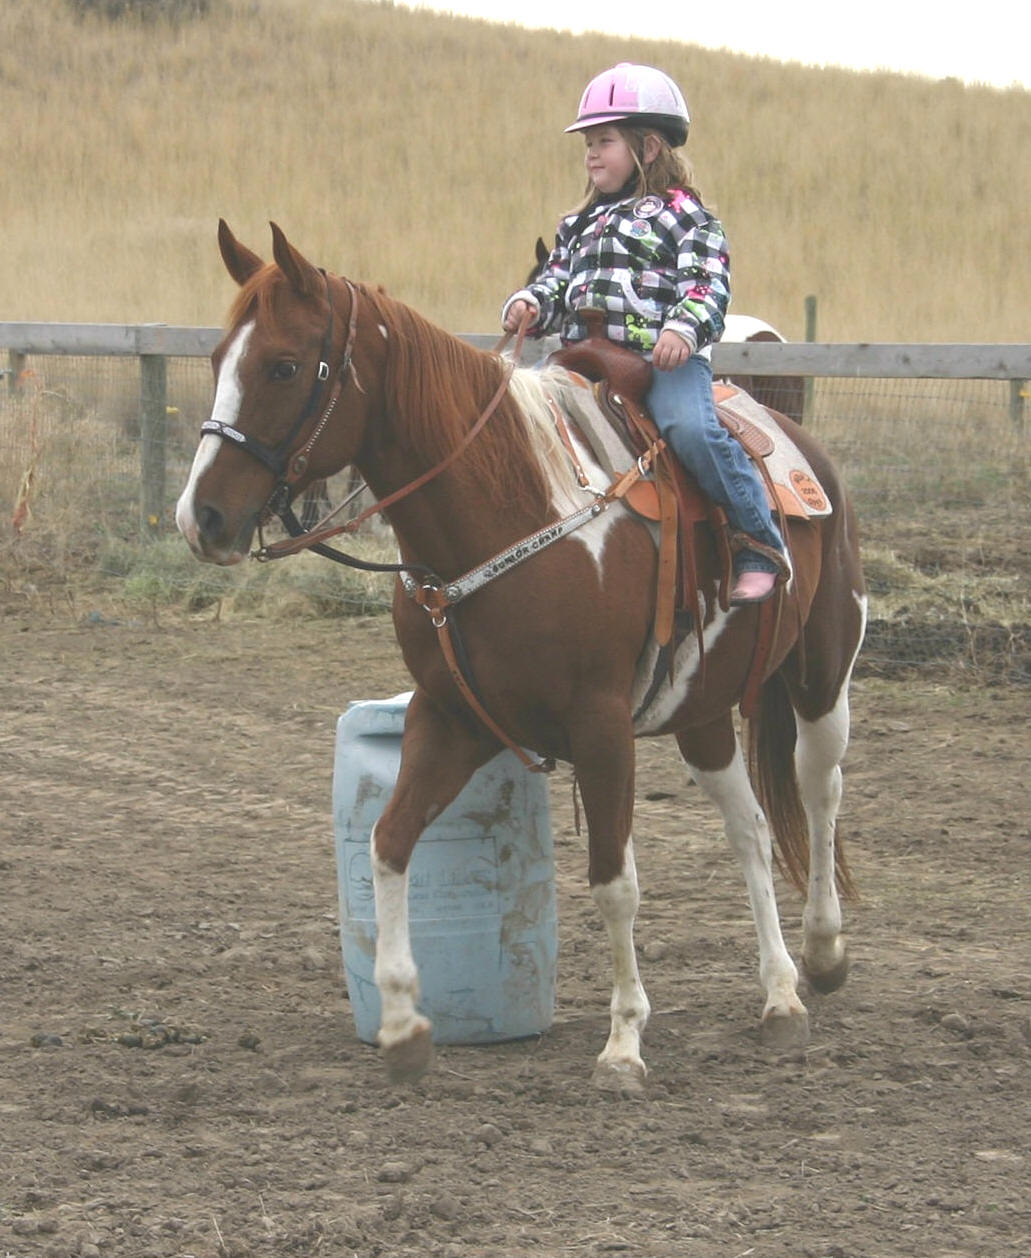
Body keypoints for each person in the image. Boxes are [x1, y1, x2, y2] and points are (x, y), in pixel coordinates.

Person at [502, 62, 787, 604]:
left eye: (604, 140)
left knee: (692, 431)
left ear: (649, 148)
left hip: (662, 363)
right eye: (588, 141)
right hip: (582, 357)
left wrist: (682, 328)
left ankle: (758, 542)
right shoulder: (577, 223)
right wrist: (530, 303)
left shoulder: (687, 216)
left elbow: (707, 284)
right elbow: (557, 281)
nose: (590, 153)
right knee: (521, 418)